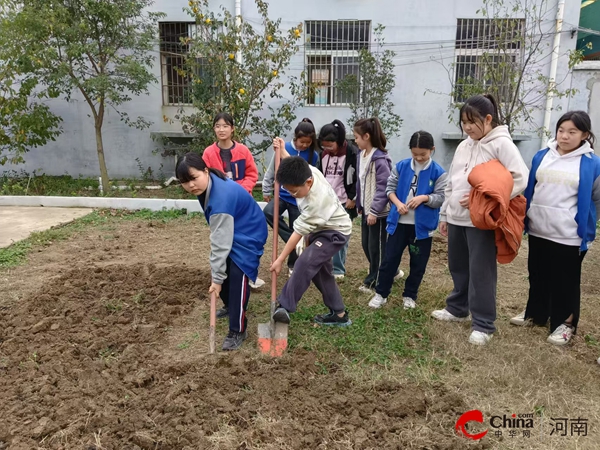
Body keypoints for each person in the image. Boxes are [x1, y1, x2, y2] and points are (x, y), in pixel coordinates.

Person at [432, 94, 529, 346]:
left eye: (472, 122)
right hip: (456, 218)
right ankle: (457, 309)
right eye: (463, 122)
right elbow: (453, 181)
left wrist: (484, 200)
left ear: (488, 119)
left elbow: (519, 178)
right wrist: (444, 213)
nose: (467, 127)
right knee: (459, 266)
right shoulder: (465, 145)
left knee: (481, 272)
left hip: (480, 221)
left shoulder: (501, 145)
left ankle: (484, 323)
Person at [510, 111, 600, 346]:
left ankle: (566, 323)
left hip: (569, 235)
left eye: (572, 132)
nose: (565, 136)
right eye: (561, 130)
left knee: (566, 281)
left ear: (585, 135)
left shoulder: (592, 163)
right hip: (539, 228)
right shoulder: (542, 156)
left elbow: (596, 199)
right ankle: (536, 315)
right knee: (538, 275)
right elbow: (532, 188)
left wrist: (587, 228)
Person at [175, 152, 267, 351]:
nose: (190, 185)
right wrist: (218, 277)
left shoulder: (220, 201)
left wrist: (216, 279)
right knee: (223, 273)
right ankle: (231, 306)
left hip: (249, 233)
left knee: (237, 274)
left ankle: (237, 329)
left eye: (193, 178)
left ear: (205, 171)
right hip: (235, 227)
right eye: (184, 182)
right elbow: (221, 240)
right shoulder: (208, 185)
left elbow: (220, 244)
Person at [270, 142, 353, 327]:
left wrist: (280, 260)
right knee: (321, 273)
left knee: (306, 261)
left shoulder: (316, 201)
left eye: (294, 191)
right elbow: (295, 162)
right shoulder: (308, 171)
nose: (291, 194)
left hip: (335, 232)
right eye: (287, 190)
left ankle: (284, 306)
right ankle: (339, 314)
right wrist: (282, 150)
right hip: (320, 228)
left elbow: (297, 233)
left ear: (307, 183)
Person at [368, 131, 447, 310]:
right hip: (399, 225)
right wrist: (397, 203)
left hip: (422, 229)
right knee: (389, 260)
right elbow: (390, 189)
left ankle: (410, 295)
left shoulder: (439, 172)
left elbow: (441, 197)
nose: (419, 158)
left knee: (418, 264)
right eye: (415, 154)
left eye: (423, 154)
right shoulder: (401, 166)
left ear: (432, 150)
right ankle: (381, 293)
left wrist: (424, 198)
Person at [261, 118, 320, 279]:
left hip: (298, 200)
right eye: (302, 142)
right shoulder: (283, 147)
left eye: (308, 143)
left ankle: (293, 264)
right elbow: (272, 170)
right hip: (282, 195)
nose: (304, 145)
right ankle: (292, 240)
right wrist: (267, 189)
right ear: (296, 138)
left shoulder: (313, 155)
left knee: (298, 229)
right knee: (268, 212)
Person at [354, 117, 393, 293]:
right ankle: (389, 271)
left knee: (376, 247)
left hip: (378, 213)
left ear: (367, 136)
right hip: (366, 209)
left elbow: (383, 187)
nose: (355, 141)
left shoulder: (380, 159)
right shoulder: (360, 156)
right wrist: (360, 204)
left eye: (356, 137)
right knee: (366, 244)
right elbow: (360, 182)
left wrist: (374, 211)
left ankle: (374, 280)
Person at [318, 119, 358, 280]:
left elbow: (358, 178)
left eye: (330, 145)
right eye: (324, 145)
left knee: (341, 234)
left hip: (344, 200)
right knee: (326, 233)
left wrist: (352, 197)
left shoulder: (352, 153)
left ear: (339, 141)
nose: (326, 149)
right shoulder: (323, 155)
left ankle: (338, 269)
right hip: (327, 201)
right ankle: (324, 265)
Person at [202, 112, 258, 194]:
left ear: (232, 129)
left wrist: (241, 190)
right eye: (218, 126)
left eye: (225, 126)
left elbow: (251, 174)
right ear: (214, 129)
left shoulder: (243, 150)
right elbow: (205, 177)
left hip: (242, 196)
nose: (221, 130)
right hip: (219, 197)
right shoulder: (208, 153)